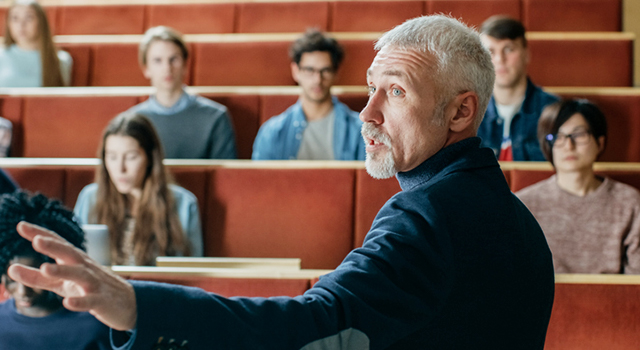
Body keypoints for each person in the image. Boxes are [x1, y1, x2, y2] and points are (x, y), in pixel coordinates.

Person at [8, 15, 555, 349]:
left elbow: (314, 324)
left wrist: (136, 305)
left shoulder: (427, 216)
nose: (365, 114)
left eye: (395, 92)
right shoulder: (513, 214)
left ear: (461, 112)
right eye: (370, 89)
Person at [516, 99, 640, 274]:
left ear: (600, 143)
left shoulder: (629, 202)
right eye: (557, 137)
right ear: (547, 146)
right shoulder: (522, 205)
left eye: (579, 135)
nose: (568, 145)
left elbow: (636, 282)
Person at [74, 112, 203, 266]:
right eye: (112, 157)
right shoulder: (90, 197)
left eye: (131, 157)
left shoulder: (184, 204)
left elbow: (190, 272)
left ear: (150, 158)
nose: (120, 168)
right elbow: (74, 258)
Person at [0, 190, 110, 349]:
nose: (23, 292)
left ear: (58, 267)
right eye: (12, 280)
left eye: (32, 279)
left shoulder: (94, 326)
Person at [252, 29, 365, 160]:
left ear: (336, 73)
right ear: (295, 71)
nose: (318, 79)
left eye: (325, 70)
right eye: (309, 70)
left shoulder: (359, 131)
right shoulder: (272, 133)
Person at [125, 26, 237, 159]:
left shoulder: (216, 117)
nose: (167, 68)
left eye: (174, 59)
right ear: (146, 68)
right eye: (157, 60)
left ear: (185, 65)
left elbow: (226, 176)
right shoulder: (132, 121)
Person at [477, 16, 558, 161]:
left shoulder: (552, 109)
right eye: (490, 51)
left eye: (508, 49)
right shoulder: (470, 111)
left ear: (526, 54)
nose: (500, 59)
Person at [0, 0, 72, 87]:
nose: (21, 24)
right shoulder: (1, 56)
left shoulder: (61, 60)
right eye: (15, 18)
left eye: (29, 18)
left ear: (41, 22)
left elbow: (60, 99)